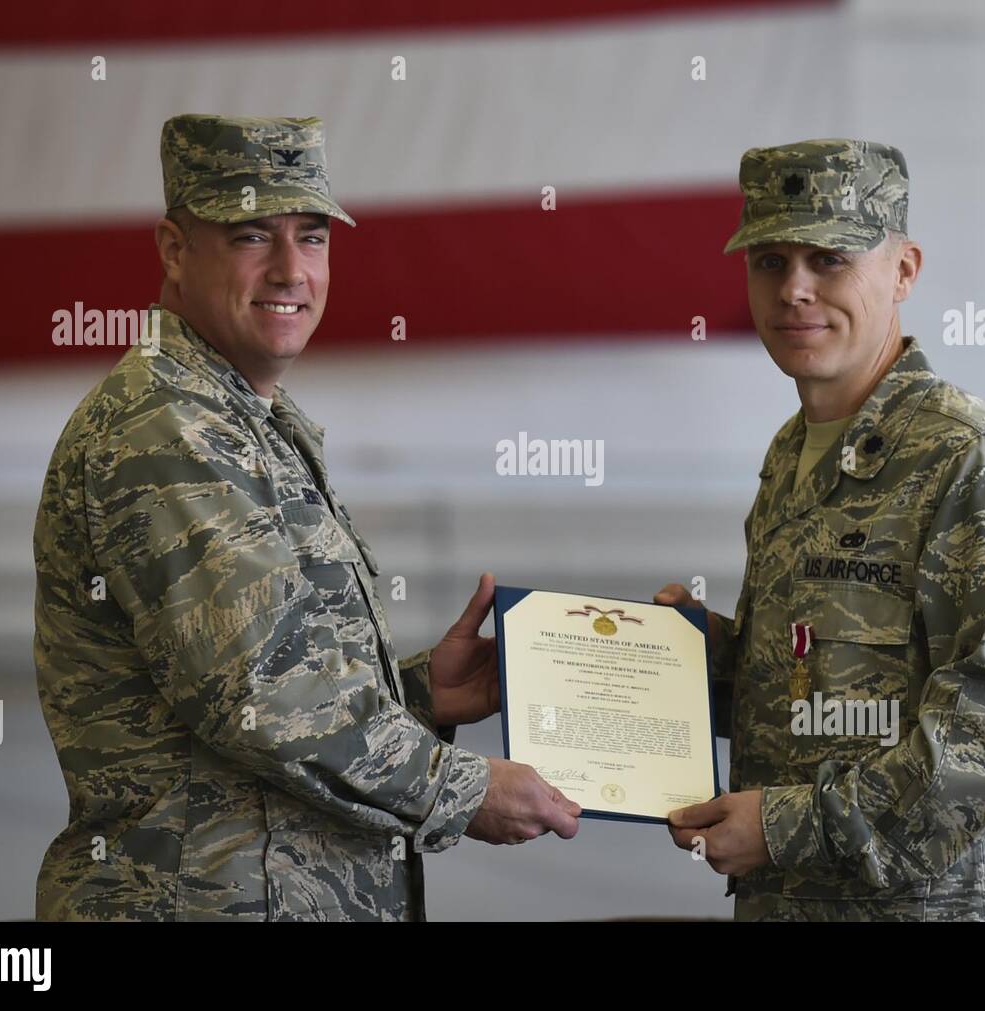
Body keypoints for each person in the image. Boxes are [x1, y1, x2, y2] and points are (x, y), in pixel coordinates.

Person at [32, 114, 579, 922]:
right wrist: (458, 786)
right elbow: (263, 699)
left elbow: (269, 676)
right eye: (253, 236)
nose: (292, 270)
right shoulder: (164, 431)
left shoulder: (245, 419)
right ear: (175, 250)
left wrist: (422, 692)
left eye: (313, 237)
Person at [657, 139, 985, 921]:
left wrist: (789, 827)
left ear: (904, 270)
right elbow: (827, 694)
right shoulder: (793, 451)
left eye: (829, 258)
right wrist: (704, 662)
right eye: (769, 260)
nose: (794, 289)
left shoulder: (971, 459)